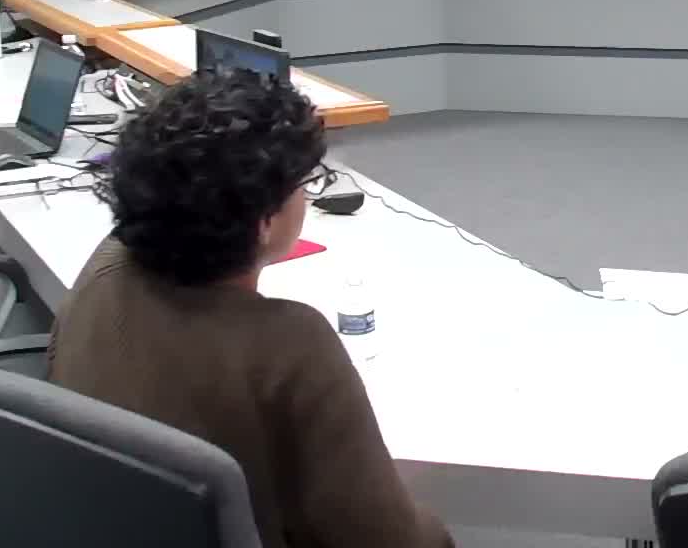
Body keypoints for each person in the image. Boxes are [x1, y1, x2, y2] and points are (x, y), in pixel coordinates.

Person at [49, 69, 451, 548]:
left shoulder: (107, 266)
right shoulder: (290, 343)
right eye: (304, 183)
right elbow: (386, 539)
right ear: (264, 222)